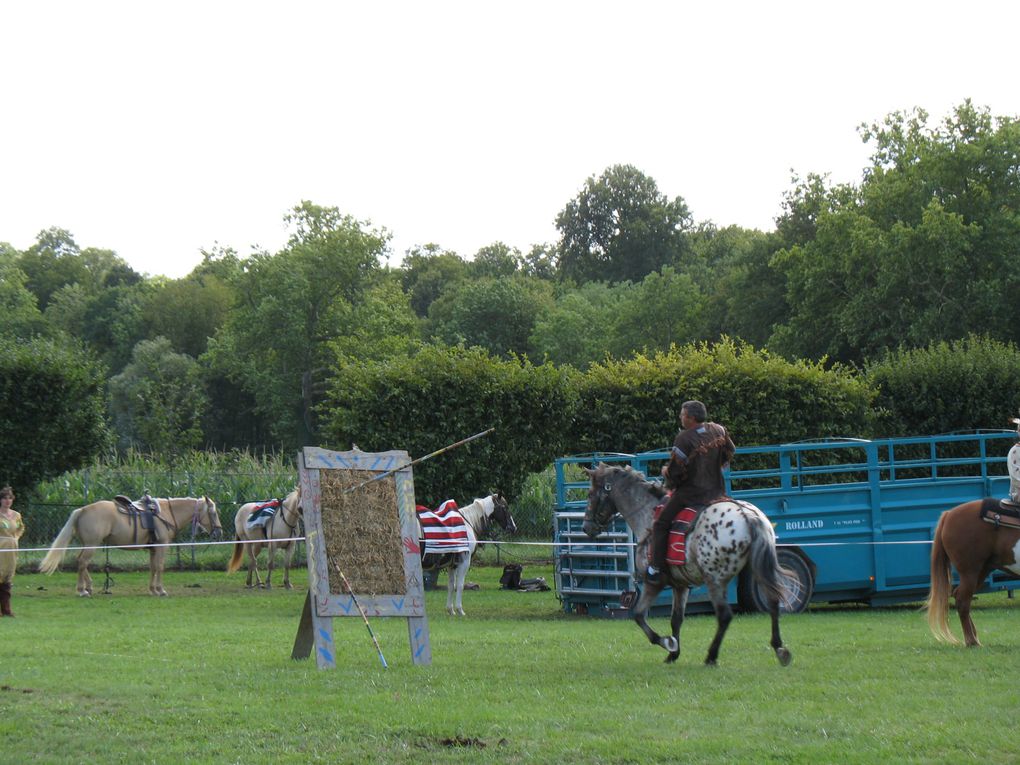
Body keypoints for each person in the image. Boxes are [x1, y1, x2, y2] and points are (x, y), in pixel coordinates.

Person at [646, 401, 735, 585]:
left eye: (682, 414)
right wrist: (717, 465)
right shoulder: (719, 430)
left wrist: (666, 473)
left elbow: (675, 473)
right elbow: (730, 451)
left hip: (691, 495)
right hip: (718, 492)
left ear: (691, 418)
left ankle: (655, 568)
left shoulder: (684, 439)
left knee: (661, 523)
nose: (680, 417)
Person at [0, 486, 25, 617]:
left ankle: (6, 609)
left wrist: (16, 537)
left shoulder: (16, 515)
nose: (7, 500)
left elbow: (21, 528)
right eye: (4, 498)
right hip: (0, 548)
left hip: (12, 549)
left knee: (7, 579)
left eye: (10, 498)